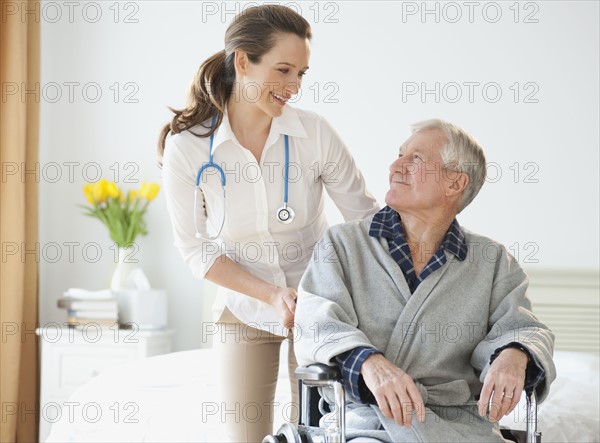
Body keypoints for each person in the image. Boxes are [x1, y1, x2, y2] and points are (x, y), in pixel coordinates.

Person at [157, 5, 379, 442]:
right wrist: (271, 294)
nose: (294, 86)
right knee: (244, 436)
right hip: (244, 305)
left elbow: (364, 218)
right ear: (242, 61)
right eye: (283, 70)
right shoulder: (189, 149)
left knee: (317, 433)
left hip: (321, 306)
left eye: (301, 73)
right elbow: (194, 248)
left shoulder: (314, 134)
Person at [295, 119, 556, 442]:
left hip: (462, 427)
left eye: (415, 159)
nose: (395, 166)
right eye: (399, 155)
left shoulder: (492, 260)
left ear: (454, 183)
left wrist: (515, 353)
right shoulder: (343, 244)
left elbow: (526, 327)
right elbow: (314, 322)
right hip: (370, 426)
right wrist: (368, 362)